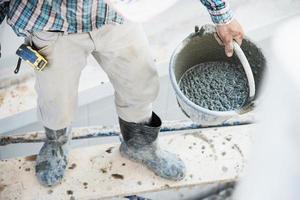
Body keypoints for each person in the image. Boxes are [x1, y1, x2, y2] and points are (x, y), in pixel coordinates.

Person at [0, 0, 244, 187]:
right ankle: (56, 144)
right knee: (56, 99)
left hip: (115, 16)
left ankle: (139, 145)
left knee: (140, 83)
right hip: (51, 23)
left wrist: (221, 14)